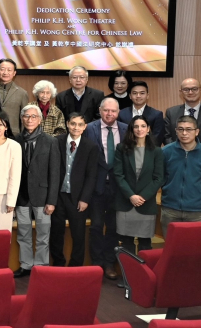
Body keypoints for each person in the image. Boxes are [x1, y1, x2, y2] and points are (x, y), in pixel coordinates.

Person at [82, 98, 127, 280]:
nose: (109, 114)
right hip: (96, 186)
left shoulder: (126, 129)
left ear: (118, 112)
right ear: (100, 111)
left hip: (119, 187)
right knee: (96, 226)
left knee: (114, 227)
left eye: (113, 111)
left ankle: (109, 263)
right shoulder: (89, 128)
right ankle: (97, 263)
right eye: (106, 110)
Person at [13, 104, 59, 278]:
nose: (29, 119)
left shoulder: (50, 141)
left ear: (40, 120)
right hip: (22, 196)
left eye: (34, 116)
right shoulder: (15, 140)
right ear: (22, 119)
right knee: (23, 234)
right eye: (26, 116)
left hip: (43, 197)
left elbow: (55, 173)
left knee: (43, 235)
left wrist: (52, 201)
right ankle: (26, 265)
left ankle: (41, 266)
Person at [50, 112, 99, 267]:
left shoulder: (91, 147)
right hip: (58, 196)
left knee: (78, 234)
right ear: (67, 124)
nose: (76, 127)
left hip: (78, 198)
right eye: (73, 123)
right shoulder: (56, 141)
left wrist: (85, 199)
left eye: (80, 124)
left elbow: (91, 176)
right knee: (56, 233)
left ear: (85, 127)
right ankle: (58, 263)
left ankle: (76, 266)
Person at [161, 115, 201, 238]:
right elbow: (161, 176)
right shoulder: (166, 152)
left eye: (188, 129)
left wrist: (199, 191)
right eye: (180, 129)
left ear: (197, 132)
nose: (184, 133)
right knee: (170, 246)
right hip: (170, 208)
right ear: (176, 131)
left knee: (193, 246)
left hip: (196, 210)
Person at [115, 116, 164, 254]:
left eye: (143, 126)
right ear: (131, 129)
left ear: (148, 129)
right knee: (126, 243)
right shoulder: (121, 148)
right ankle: (128, 268)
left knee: (145, 244)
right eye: (136, 126)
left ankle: (144, 269)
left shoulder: (156, 151)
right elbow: (118, 175)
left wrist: (142, 197)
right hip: (126, 202)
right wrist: (131, 196)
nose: (139, 129)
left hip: (146, 203)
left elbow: (158, 178)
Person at [163, 78, 201, 150]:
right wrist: (178, 152)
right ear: (181, 92)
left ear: (200, 90)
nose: (190, 92)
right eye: (186, 89)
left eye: (194, 89)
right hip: (175, 154)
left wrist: (197, 153)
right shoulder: (171, 112)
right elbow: (167, 137)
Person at [118, 81, 165, 146]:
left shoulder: (156, 114)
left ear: (147, 95)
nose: (138, 96)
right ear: (130, 96)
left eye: (142, 93)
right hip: (126, 149)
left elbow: (157, 139)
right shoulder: (121, 113)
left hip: (149, 150)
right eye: (135, 93)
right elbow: (119, 136)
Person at [0, 58, 29, 139]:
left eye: (9, 70)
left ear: (14, 73)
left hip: (14, 135)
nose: (5, 72)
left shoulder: (22, 93)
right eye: (2, 69)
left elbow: (24, 117)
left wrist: (23, 138)